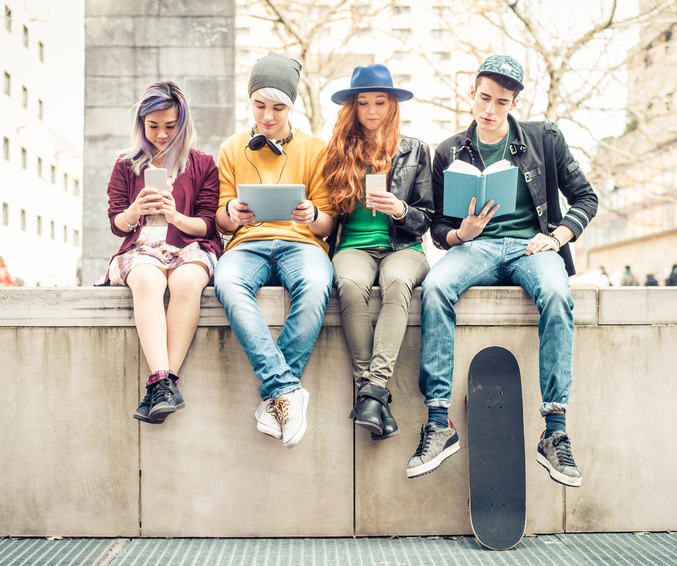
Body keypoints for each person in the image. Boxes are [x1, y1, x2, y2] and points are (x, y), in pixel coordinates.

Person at [406, 55, 598, 488]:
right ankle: (439, 423)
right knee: (435, 287)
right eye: (484, 98)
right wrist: (462, 233)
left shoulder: (545, 139)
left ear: (515, 103)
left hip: (533, 247)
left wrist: (559, 236)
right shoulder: (449, 151)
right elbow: (438, 228)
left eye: (502, 102)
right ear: (471, 93)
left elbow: (586, 197)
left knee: (556, 293)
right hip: (477, 248)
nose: (490, 110)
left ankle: (555, 431)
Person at [213, 53, 336, 449]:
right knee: (227, 283)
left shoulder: (315, 149)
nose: (267, 116)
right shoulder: (232, 149)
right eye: (259, 106)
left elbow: (328, 224)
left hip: (301, 243)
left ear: (292, 106)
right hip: (247, 244)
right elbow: (220, 219)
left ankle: (275, 396)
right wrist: (232, 213)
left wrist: (311, 213)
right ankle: (286, 390)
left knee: (318, 284)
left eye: (278, 107)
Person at [323, 64, 433, 441]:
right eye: (364, 103)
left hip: (403, 246)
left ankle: (369, 389)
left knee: (398, 281)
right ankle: (374, 398)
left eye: (379, 102)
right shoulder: (336, 152)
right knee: (350, 285)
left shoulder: (415, 149)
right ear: (352, 107)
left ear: (392, 106)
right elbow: (328, 215)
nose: (372, 111)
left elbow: (427, 218)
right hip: (353, 246)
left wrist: (399, 209)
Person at [103, 81, 224, 424]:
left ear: (183, 123)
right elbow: (117, 224)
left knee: (187, 282)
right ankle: (164, 382)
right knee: (145, 280)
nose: (161, 134)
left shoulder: (202, 164)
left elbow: (208, 225)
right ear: (141, 123)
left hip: (189, 246)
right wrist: (134, 210)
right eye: (153, 126)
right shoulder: (126, 165)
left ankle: (159, 387)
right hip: (142, 248)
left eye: (170, 126)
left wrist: (175, 217)